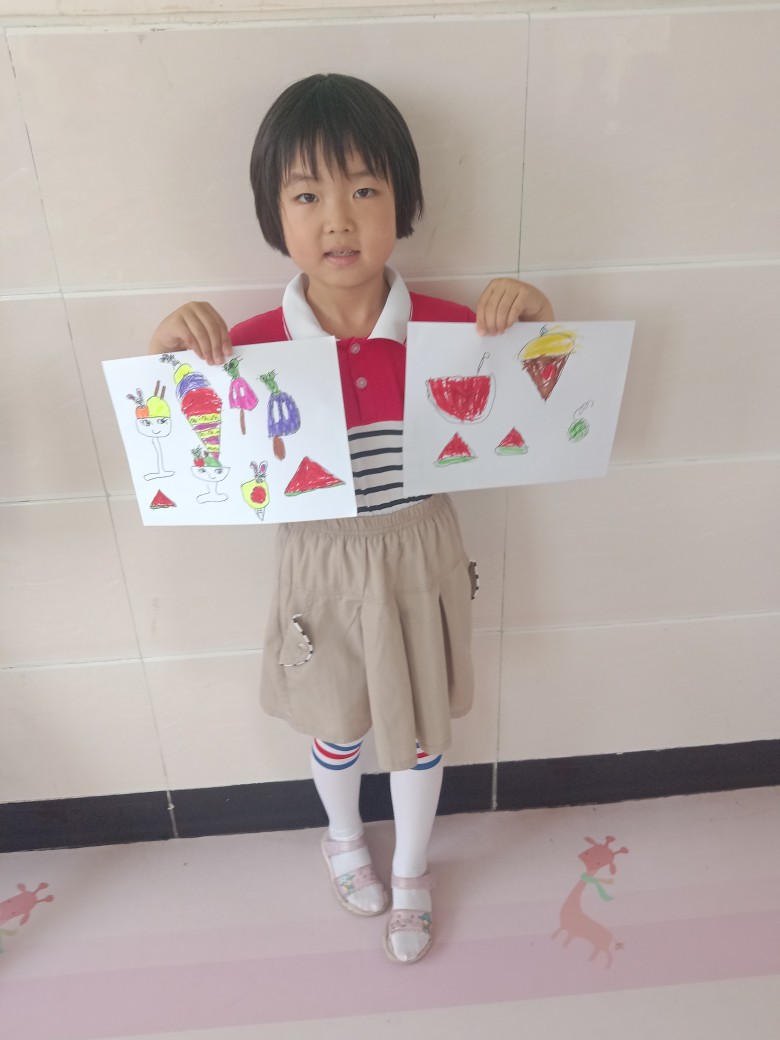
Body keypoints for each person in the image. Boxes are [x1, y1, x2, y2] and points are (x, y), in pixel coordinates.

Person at [149, 73, 553, 964]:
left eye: (364, 190)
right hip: (321, 560)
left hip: (420, 551)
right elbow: (174, 423)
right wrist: (170, 346)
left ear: (403, 200)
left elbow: (544, 389)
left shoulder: (452, 331)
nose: (338, 219)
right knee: (337, 724)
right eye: (307, 196)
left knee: (420, 730)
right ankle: (341, 839)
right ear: (274, 213)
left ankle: (411, 870)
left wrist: (534, 318)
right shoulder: (245, 349)